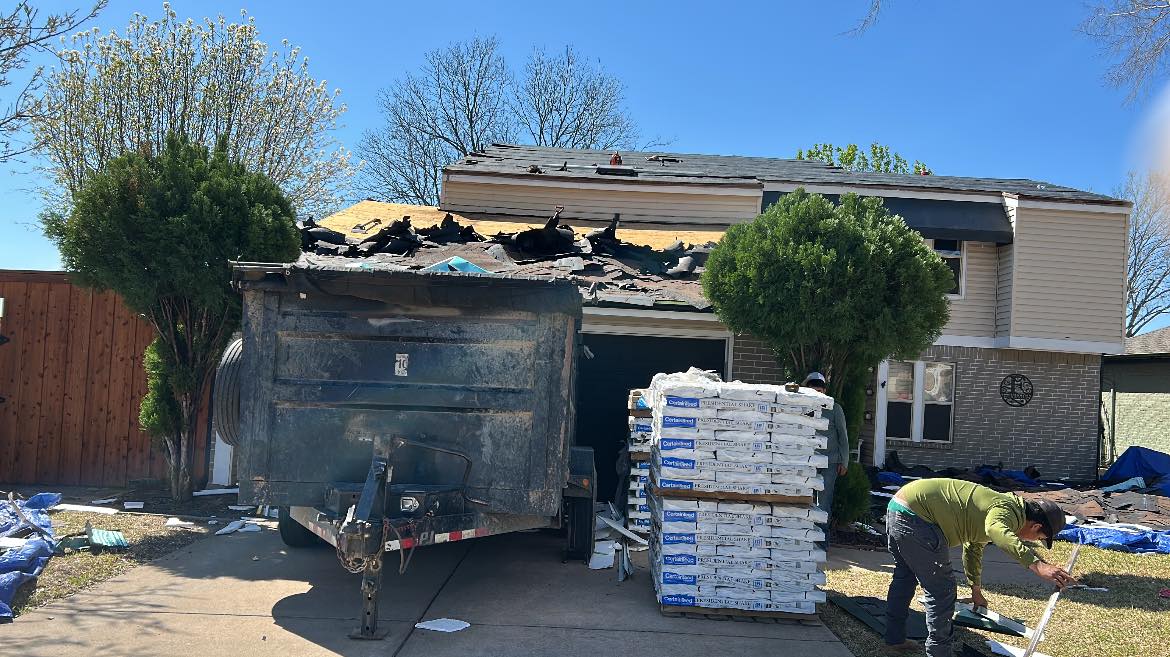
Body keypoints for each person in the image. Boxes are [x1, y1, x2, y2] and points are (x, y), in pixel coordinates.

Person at [883, 478, 1076, 656]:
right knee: (942, 590)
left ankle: (894, 640)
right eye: (1039, 538)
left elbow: (973, 547)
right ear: (1035, 527)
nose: (1033, 540)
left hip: (899, 508)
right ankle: (939, 653)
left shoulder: (1000, 508)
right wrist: (1037, 565)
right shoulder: (1008, 511)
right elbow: (995, 530)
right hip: (917, 517)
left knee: (905, 577)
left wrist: (976, 590)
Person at [802, 372, 849, 535]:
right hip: (809, 461)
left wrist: (844, 461)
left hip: (830, 461)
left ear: (824, 391)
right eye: (813, 390)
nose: (817, 394)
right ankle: (807, 535)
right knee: (805, 500)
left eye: (819, 391)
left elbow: (843, 436)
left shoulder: (835, 409)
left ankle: (822, 540)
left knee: (823, 502)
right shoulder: (803, 408)